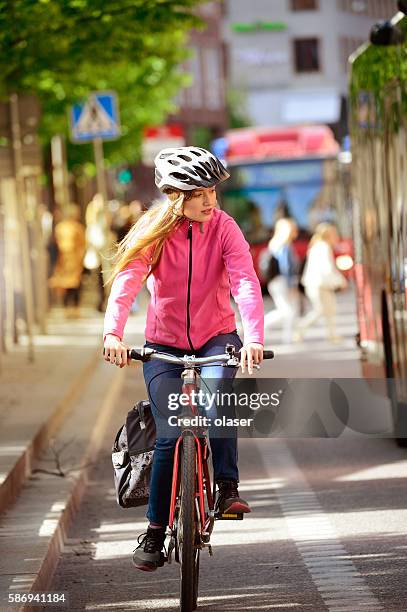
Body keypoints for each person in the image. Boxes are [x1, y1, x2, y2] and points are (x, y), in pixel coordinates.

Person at [103, 146, 264, 572]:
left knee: (216, 406)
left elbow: (245, 280)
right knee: (170, 435)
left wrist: (252, 338)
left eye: (212, 190)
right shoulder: (154, 231)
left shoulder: (225, 228)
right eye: (199, 193)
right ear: (176, 195)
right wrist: (113, 333)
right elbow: (127, 282)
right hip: (164, 345)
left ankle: (226, 487)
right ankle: (155, 531)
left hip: (216, 338)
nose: (210, 200)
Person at [295, 222, 348, 343]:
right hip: (319, 285)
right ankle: (300, 328)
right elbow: (328, 269)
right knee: (320, 310)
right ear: (328, 235)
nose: (336, 236)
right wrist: (341, 282)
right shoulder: (323, 247)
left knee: (330, 309)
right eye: (334, 234)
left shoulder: (318, 246)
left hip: (319, 284)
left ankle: (332, 335)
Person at [263, 218, 299, 344]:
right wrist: (292, 286)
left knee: (287, 310)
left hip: (276, 282)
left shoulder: (274, 243)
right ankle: (287, 337)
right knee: (288, 311)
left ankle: (290, 336)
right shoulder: (283, 245)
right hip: (282, 282)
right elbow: (286, 267)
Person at [48, 204, 86, 318]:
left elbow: (82, 244)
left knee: (75, 285)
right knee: (64, 285)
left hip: (74, 260)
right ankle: (66, 308)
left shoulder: (78, 227)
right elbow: (56, 244)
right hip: (63, 259)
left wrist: (80, 258)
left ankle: (75, 308)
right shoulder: (60, 227)